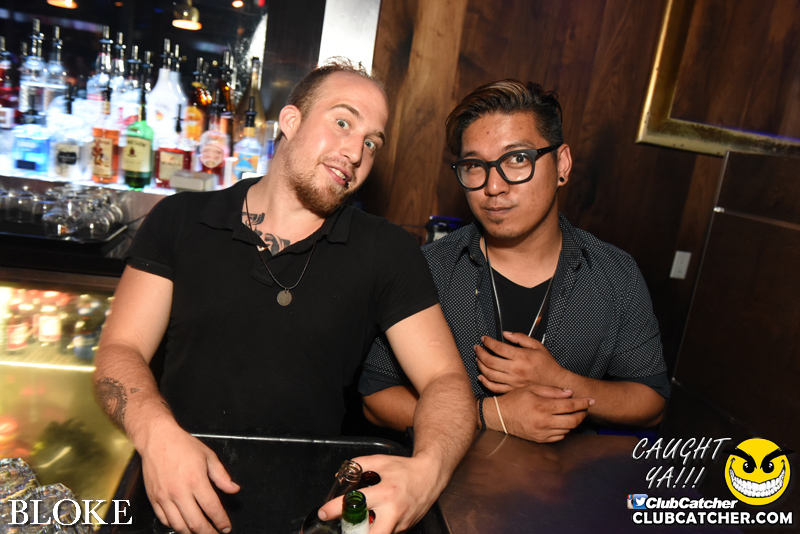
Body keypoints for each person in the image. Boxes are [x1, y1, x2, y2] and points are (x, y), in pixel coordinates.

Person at [93, 59, 475, 534]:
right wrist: (156, 435)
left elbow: (445, 380)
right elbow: (120, 349)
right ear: (291, 121)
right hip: (176, 495)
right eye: (343, 123)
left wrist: (428, 472)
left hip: (307, 514)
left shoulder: (386, 251)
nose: (355, 152)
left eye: (371, 142)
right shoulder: (181, 220)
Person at [360, 79, 670, 444]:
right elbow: (376, 399)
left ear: (562, 164)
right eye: (474, 165)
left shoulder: (614, 274)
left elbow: (651, 402)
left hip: (566, 478)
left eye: (518, 158)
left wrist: (560, 380)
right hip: (449, 476)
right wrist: (490, 415)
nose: (493, 186)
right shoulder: (428, 269)